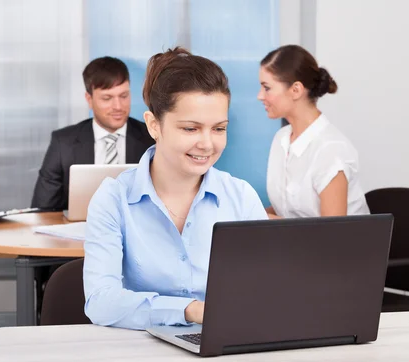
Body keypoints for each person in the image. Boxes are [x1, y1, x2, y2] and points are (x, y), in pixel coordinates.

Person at [83, 48, 267, 330]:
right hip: (143, 355)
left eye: (219, 128)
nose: (207, 144)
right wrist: (189, 310)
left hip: (227, 352)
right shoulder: (114, 198)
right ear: (154, 125)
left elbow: (268, 289)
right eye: (191, 129)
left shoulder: (240, 198)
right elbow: (100, 301)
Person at [258, 44, 369, 218]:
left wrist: (270, 223)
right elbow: (286, 209)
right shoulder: (281, 139)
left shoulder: (331, 150)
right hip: (296, 243)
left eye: (267, 88)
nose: (260, 96)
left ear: (296, 90)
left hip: (342, 244)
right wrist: (247, 216)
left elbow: (331, 233)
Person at [31, 56, 154, 210]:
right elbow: (42, 210)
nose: (118, 106)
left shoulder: (152, 138)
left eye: (124, 96)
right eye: (107, 98)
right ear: (89, 99)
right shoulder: (63, 143)